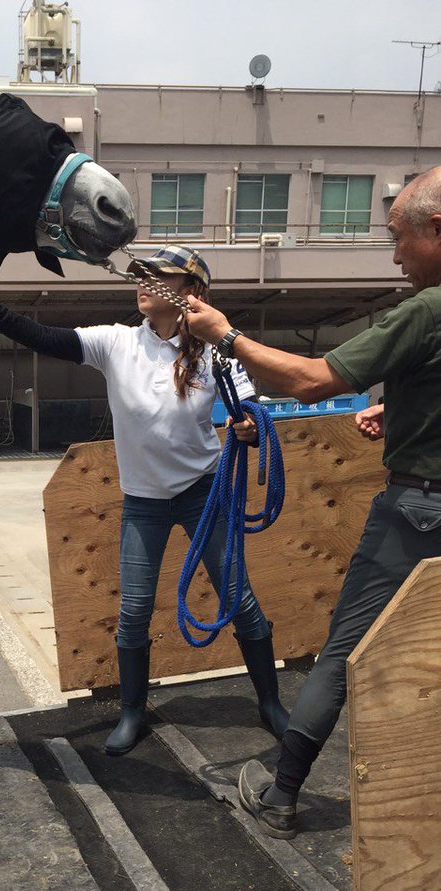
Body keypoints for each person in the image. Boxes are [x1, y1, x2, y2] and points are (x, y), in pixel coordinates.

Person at [184, 165, 441, 840]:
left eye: (400, 237)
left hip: (420, 513)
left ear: (437, 232)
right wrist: (406, 405)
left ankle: (282, 792)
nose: (393, 254)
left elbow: (307, 381)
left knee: (344, 655)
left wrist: (226, 335)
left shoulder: (426, 311)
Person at [0, 245, 288, 755]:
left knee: (239, 599)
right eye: (141, 276)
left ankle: (270, 704)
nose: (142, 284)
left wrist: (246, 427)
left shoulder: (215, 350)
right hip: (144, 501)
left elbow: (244, 405)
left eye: (157, 278)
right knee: (134, 611)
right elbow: (44, 337)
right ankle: (133, 713)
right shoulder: (115, 343)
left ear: (190, 293)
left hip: (203, 494)